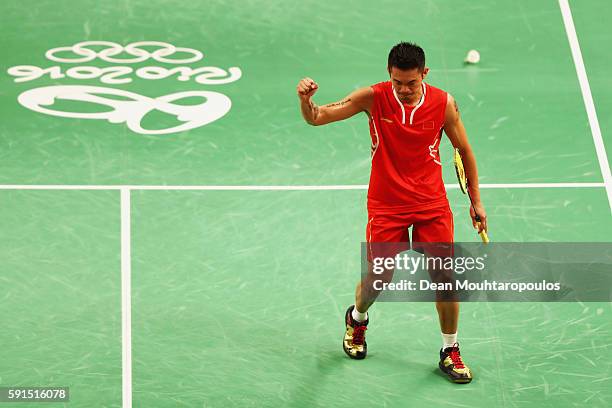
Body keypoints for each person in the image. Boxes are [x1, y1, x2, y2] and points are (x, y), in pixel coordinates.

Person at [296, 42, 488, 383]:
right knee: (378, 280)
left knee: (444, 277)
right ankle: (357, 319)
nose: (403, 89)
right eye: (397, 82)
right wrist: (305, 101)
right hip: (386, 206)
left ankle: (450, 349)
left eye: (411, 83)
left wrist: (476, 201)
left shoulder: (443, 103)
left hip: (431, 205)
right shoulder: (372, 97)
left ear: (424, 75)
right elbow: (317, 117)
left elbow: (464, 151)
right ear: (390, 74)